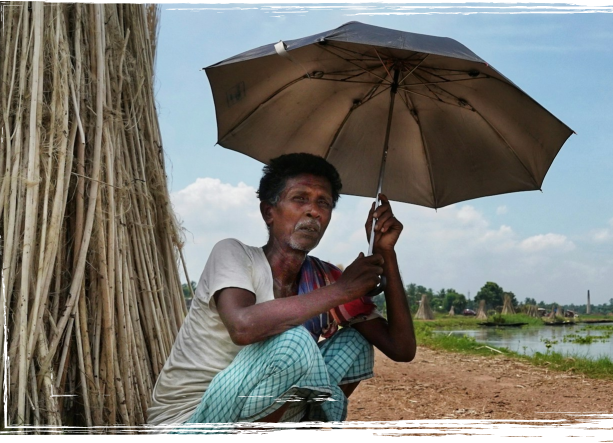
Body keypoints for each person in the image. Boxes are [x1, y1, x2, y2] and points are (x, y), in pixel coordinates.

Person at [146, 153, 417, 434]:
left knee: (355, 345)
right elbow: (243, 326)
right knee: (294, 342)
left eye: (323, 202)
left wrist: (386, 251)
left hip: (253, 415)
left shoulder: (324, 278)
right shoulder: (233, 254)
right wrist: (342, 290)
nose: (313, 211)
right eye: (300, 198)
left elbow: (401, 348)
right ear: (268, 212)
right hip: (189, 421)